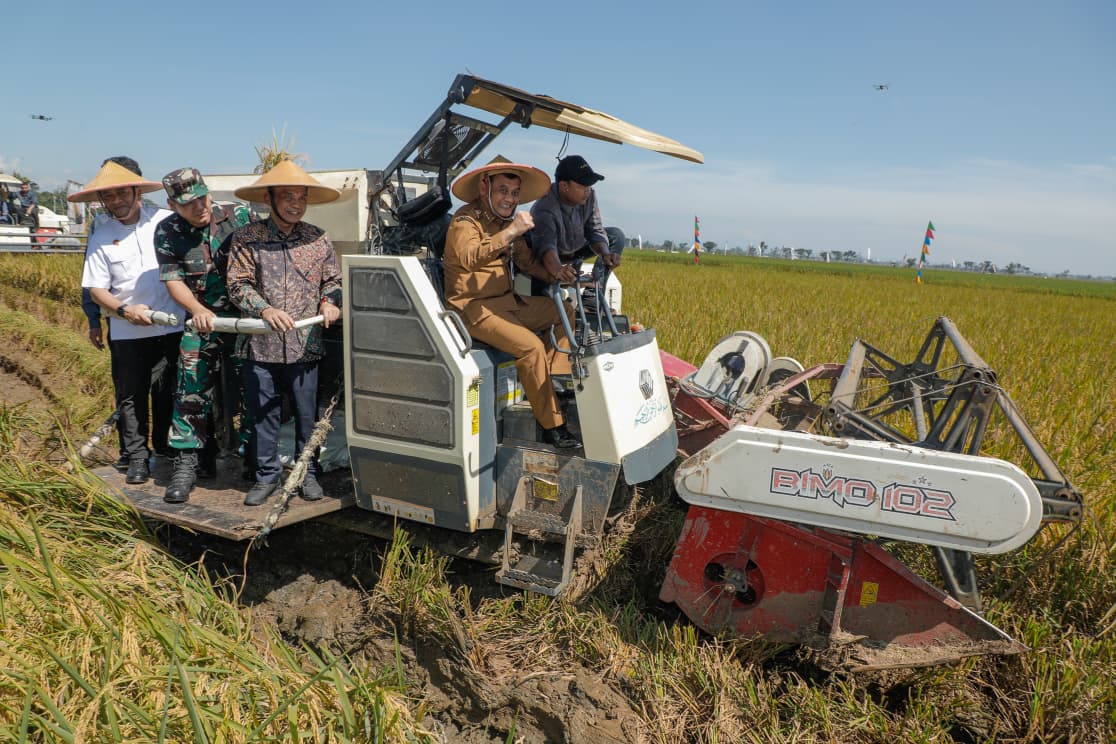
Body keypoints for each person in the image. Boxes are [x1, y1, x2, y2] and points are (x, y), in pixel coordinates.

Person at [226, 160, 342, 506]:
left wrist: (330, 302)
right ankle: (266, 477)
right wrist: (266, 309)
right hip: (260, 345)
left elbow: (332, 281)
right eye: (288, 196)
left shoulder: (317, 238)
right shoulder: (247, 237)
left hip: (306, 345)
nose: (296, 204)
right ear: (269, 198)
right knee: (264, 413)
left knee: (307, 414)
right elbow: (238, 284)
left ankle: (307, 473)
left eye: (302, 197)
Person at [443, 157, 579, 449]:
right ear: (485, 188)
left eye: (515, 193)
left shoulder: (506, 223)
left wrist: (558, 274)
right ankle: (552, 426)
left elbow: (527, 263)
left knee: (564, 311)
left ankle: (552, 382)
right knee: (531, 347)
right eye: (503, 190)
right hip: (473, 310)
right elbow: (468, 258)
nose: (510, 199)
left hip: (507, 303)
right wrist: (511, 232)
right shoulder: (464, 221)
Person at [73, 161, 184, 485]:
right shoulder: (102, 234)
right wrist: (124, 310)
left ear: (137, 192)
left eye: (123, 192)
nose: (117, 200)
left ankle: (165, 448)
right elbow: (96, 288)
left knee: (168, 393)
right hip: (127, 331)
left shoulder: (165, 222)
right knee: (131, 396)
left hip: (172, 326)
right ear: (102, 201)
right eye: (109, 196)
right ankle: (136, 456)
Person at [156, 168, 252, 504]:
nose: (199, 207)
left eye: (202, 198)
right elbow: (173, 280)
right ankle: (187, 465)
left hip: (244, 321)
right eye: (188, 203)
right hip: (202, 320)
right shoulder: (168, 231)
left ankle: (254, 459)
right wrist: (197, 309)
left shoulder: (238, 216)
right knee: (190, 389)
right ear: (172, 205)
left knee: (253, 387)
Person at [527, 155, 624, 289]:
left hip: (576, 249)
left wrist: (605, 254)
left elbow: (594, 230)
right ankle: (547, 291)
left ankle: (594, 291)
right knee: (544, 289)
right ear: (564, 186)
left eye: (589, 186)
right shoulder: (545, 207)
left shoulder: (589, 196)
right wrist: (558, 270)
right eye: (582, 186)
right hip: (549, 255)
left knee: (616, 235)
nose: (587, 191)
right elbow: (546, 246)